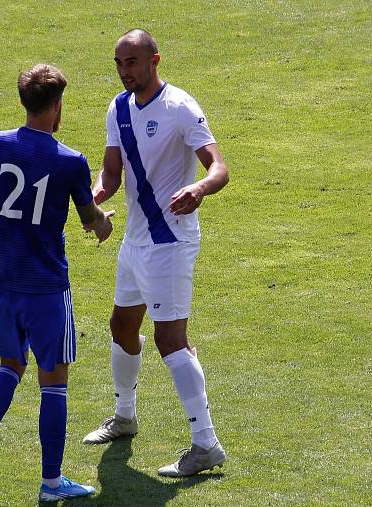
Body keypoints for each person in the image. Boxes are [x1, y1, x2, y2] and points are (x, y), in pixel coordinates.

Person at [0, 64, 115, 501]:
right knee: (54, 379)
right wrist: (104, 225)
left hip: (2, 279)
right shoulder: (69, 161)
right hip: (47, 285)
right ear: (58, 106)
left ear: (24, 102)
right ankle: (50, 482)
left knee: (10, 363)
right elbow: (89, 220)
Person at [82, 30, 230, 477]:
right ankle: (124, 417)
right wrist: (93, 199)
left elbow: (219, 167)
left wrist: (200, 187)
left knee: (171, 340)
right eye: (118, 63)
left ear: (154, 61)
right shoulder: (118, 108)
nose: (125, 71)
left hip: (171, 241)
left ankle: (206, 444)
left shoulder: (180, 107)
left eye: (132, 62)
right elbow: (111, 172)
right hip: (135, 241)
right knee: (122, 324)